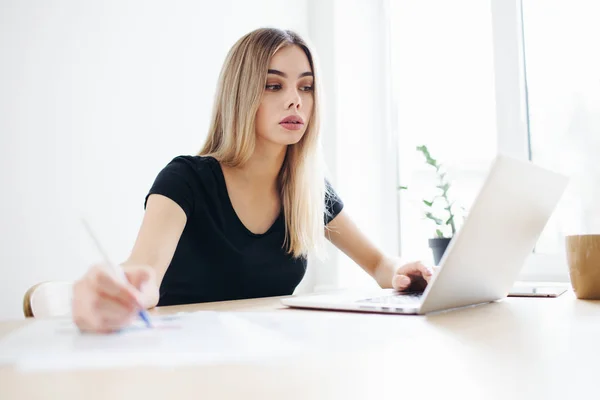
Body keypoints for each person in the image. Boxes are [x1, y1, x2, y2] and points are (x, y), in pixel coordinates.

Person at [72, 28, 434, 333]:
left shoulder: (308, 189)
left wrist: (403, 271)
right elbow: (145, 273)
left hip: (267, 361)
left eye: (306, 88)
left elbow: (378, 264)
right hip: (187, 365)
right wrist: (114, 288)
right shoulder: (185, 179)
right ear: (241, 94)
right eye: (273, 85)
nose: (295, 101)